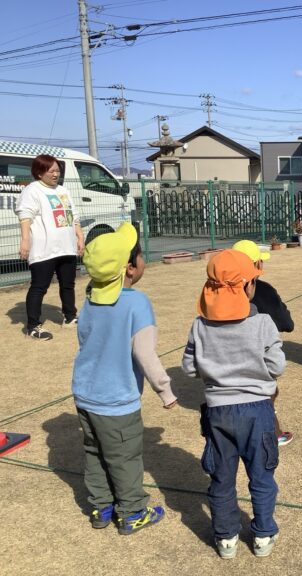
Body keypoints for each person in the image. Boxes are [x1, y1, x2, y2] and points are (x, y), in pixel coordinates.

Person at [71, 222, 177, 535]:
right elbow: (145, 353)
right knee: (125, 457)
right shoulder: (136, 302)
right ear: (130, 267)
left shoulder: (89, 297)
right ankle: (132, 512)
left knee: (95, 452)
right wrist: (165, 390)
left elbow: (84, 338)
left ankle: (100, 506)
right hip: (116, 401)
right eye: (140, 255)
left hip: (85, 395)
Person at [182, 249, 285, 560]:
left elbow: (189, 368)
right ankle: (263, 534)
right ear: (248, 286)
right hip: (257, 411)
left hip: (218, 412)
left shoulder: (200, 326)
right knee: (262, 475)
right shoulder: (263, 323)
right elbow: (277, 366)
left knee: (221, 477)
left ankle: (226, 537)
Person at [232, 240, 294, 447]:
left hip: (229, 358)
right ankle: (272, 432)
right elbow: (286, 323)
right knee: (267, 392)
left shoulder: (217, 293)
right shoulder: (264, 290)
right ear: (256, 265)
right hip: (259, 356)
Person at [16, 154, 85, 340]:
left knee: (68, 284)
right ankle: (32, 326)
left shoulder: (63, 190)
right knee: (39, 287)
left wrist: (80, 236)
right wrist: (25, 241)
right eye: (51, 171)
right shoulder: (32, 190)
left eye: (57, 170)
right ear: (39, 173)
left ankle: (70, 317)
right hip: (44, 248)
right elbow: (25, 216)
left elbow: (73, 215)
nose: (56, 174)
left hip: (67, 246)